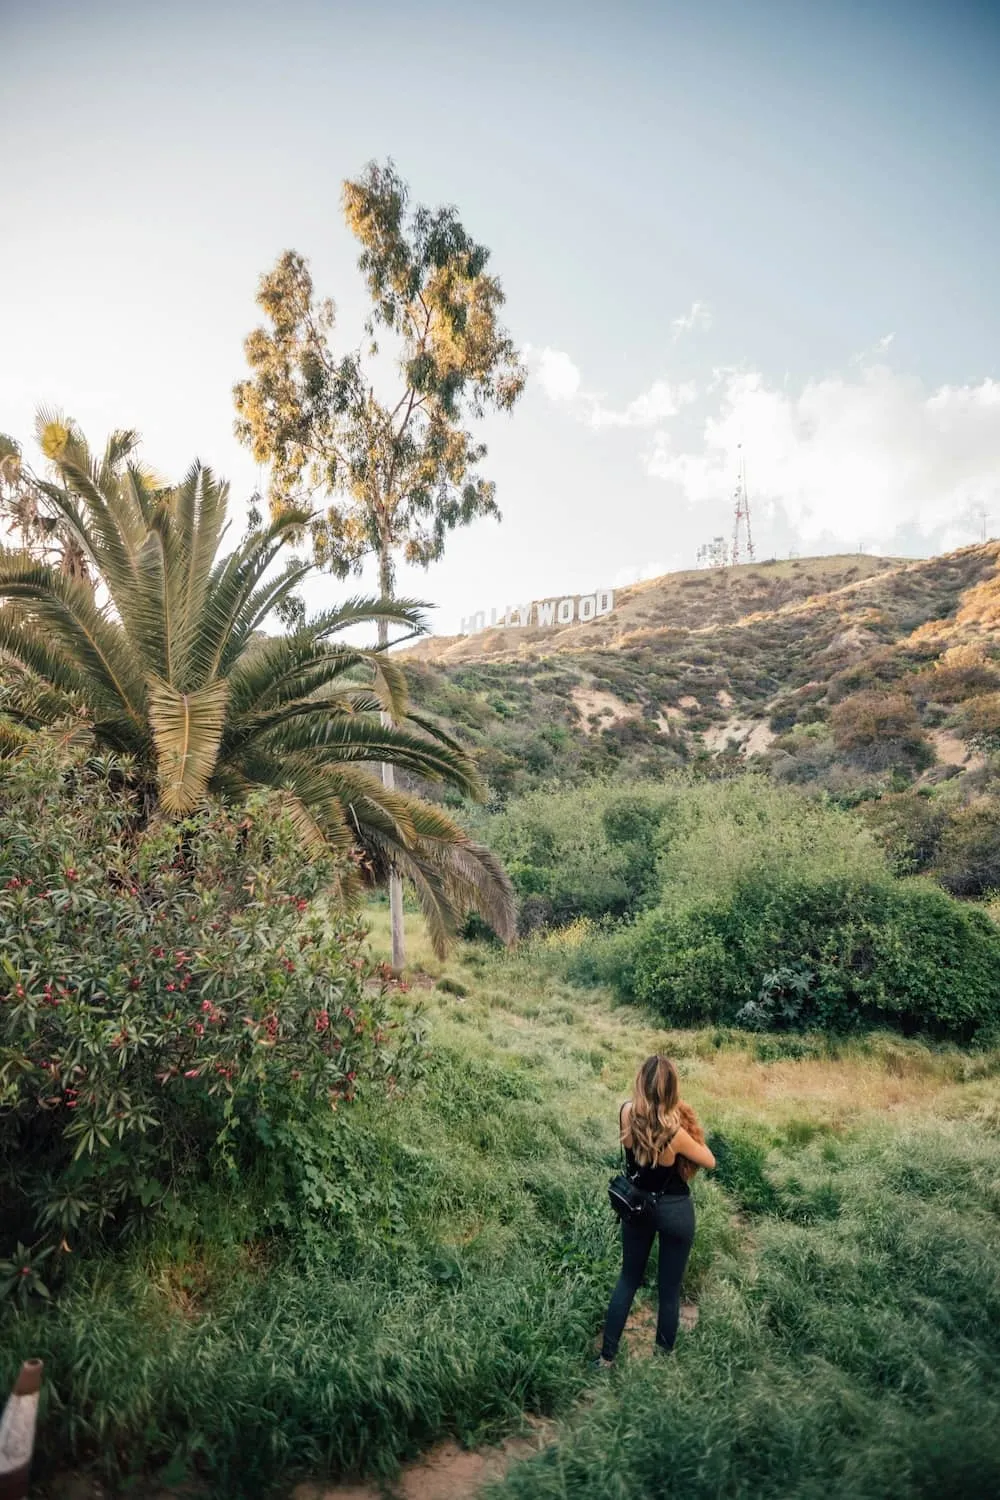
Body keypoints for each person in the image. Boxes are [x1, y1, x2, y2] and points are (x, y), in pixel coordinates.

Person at [596, 1054, 716, 1367]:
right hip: (675, 1211)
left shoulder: (625, 1112)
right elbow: (709, 1160)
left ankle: (606, 1358)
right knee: (669, 1290)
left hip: (637, 1207)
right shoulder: (675, 1134)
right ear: (673, 1091)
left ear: (640, 1083)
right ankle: (661, 1363)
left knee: (628, 1279)